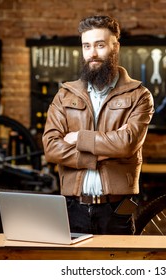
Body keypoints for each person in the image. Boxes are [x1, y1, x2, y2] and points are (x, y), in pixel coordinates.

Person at [42, 15, 154, 235]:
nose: (92, 53)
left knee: (117, 270)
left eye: (100, 45)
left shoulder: (139, 95)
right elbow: (51, 147)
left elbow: (126, 144)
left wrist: (78, 139)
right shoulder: (65, 95)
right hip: (73, 207)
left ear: (115, 47)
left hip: (116, 210)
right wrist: (99, 152)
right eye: (86, 46)